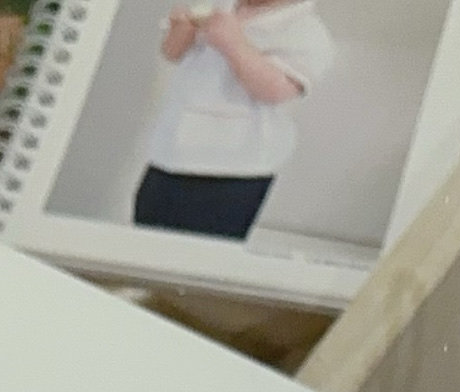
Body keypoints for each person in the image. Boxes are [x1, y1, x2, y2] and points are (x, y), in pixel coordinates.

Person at [133, 0, 336, 242]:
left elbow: (275, 91)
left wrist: (234, 44)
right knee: (146, 232)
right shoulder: (220, 7)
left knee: (206, 245)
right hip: (172, 153)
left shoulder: (305, 31)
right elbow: (171, 53)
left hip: (235, 167)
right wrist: (181, 31)